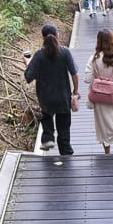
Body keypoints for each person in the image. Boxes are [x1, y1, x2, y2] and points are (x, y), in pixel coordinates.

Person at [24, 23, 79, 155]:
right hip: (63, 97)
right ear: (57, 36)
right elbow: (75, 74)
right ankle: (65, 151)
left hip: (45, 98)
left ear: (42, 37)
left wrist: (27, 63)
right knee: (64, 128)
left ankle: (48, 138)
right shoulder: (65, 52)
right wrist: (75, 92)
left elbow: (28, 77)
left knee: (47, 117)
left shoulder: (38, 55)